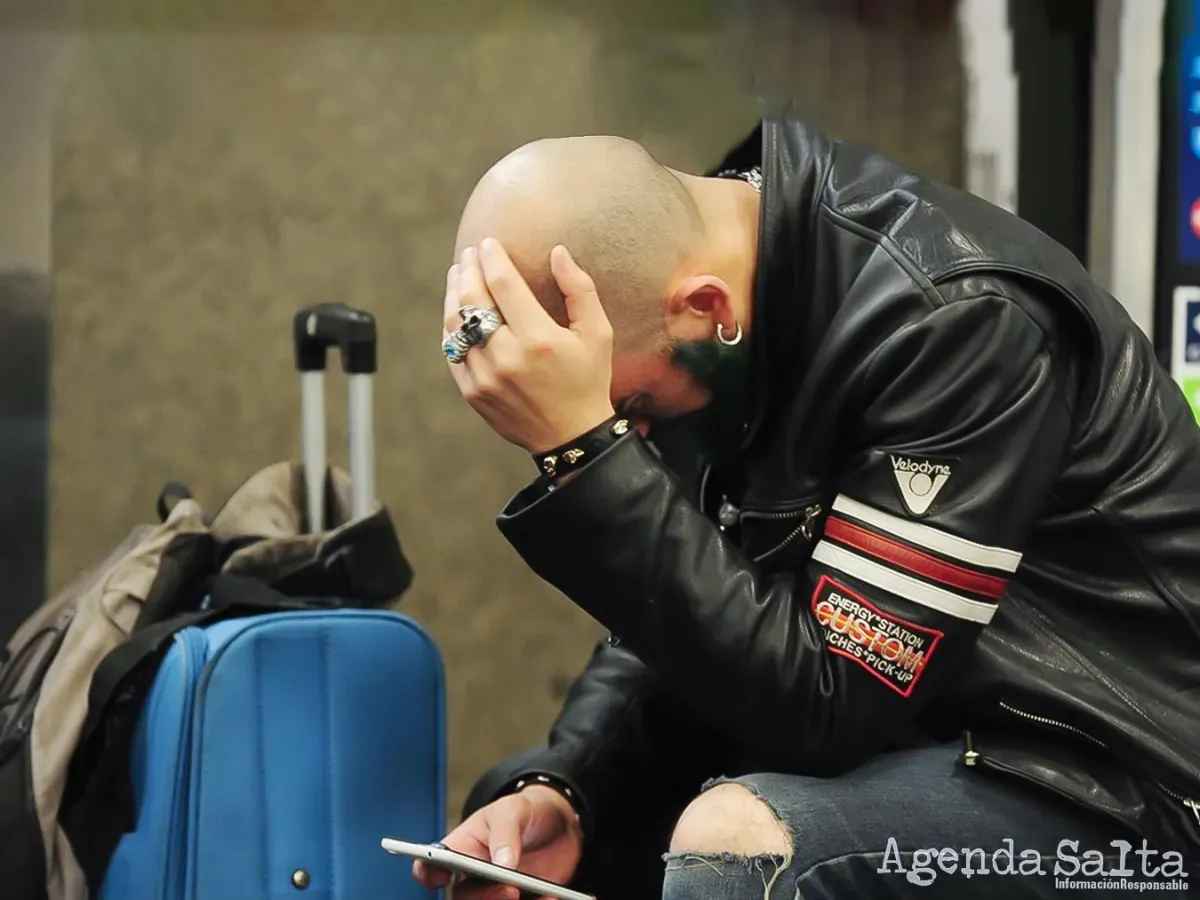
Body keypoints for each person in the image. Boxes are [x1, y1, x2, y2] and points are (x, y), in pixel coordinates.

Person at [415, 119, 1200, 899]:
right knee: (529, 840)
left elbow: (832, 707)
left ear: (705, 305)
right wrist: (569, 787)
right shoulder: (716, 315)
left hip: (1127, 799)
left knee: (735, 850)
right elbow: (698, 590)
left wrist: (585, 453)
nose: (636, 436)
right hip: (932, 748)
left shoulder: (956, 318)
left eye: (631, 409)